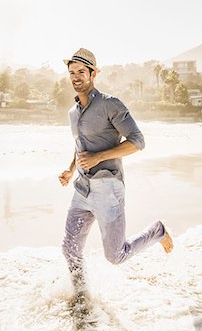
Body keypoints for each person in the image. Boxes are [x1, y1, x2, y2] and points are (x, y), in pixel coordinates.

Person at [59, 48, 173, 292]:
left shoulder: (110, 104)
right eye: (71, 72)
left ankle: (157, 231)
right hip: (82, 188)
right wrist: (70, 170)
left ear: (93, 74)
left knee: (116, 256)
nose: (76, 77)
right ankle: (82, 295)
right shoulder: (73, 112)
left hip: (108, 189)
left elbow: (137, 141)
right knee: (70, 249)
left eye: (81, 71)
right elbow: (80, 146)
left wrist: (99, 156)